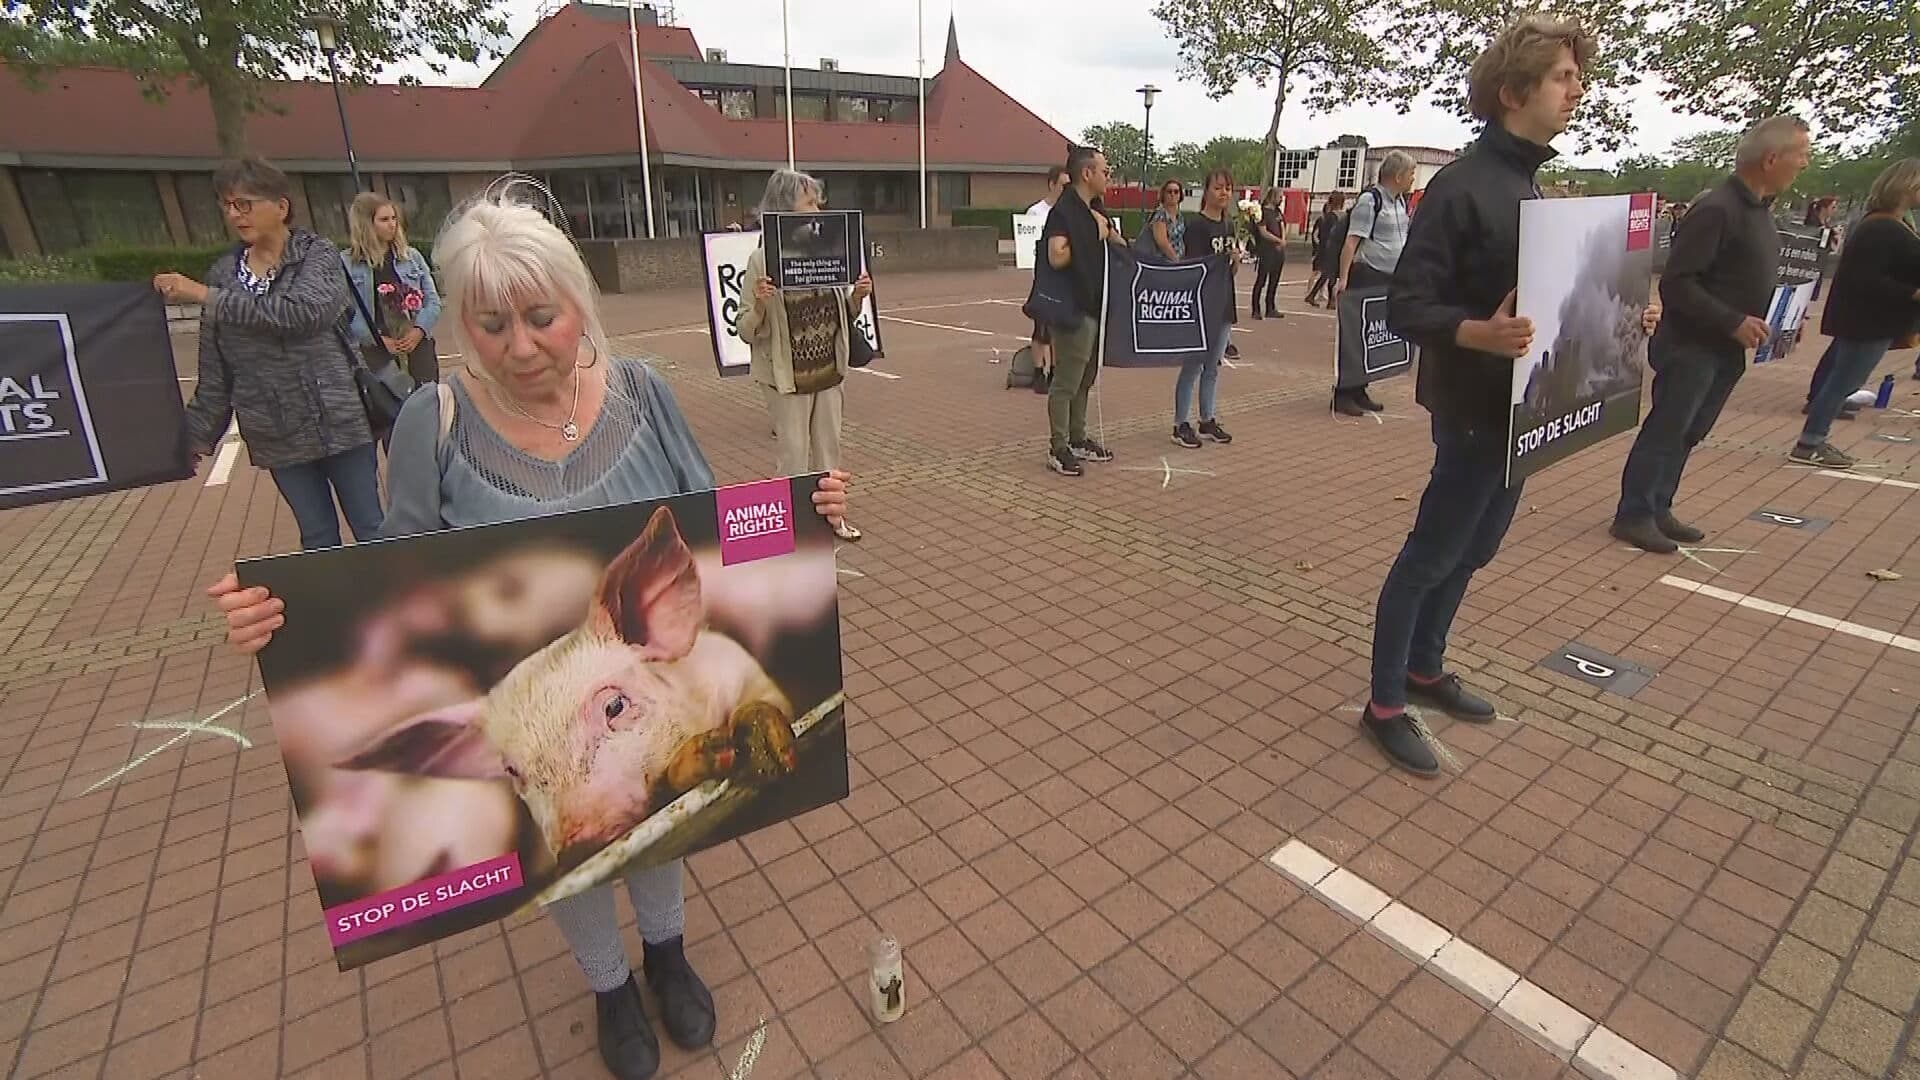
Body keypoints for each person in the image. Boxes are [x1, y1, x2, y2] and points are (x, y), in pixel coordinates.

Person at [204, 190, 855, 1080]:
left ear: (578, 305)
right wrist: (284, 619)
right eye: (491, 324)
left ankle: (665, 948)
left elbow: (714, 520)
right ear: (460, 324)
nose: (519, 348)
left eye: (542, 318)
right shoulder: (434, 424)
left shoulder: (645, 395)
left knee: (661, 799)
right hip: (523, 716)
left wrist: (804, 515)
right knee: (564, 826)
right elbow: (386, 572)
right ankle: (608, 983)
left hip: (634, 693)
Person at [1368, 15, 1659, 776]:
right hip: (1471, 409)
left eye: (1577, 77)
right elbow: (1405, 305)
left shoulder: (1532, 185)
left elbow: (1553, 300)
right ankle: (1385, 701)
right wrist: (1474, 333)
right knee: (1432, 552)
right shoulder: (1462, 188)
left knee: (1477, 547)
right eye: (1564, 77)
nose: (1578, 90)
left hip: (1529, 408)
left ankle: (1426, 668)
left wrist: (1627, 311)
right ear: (1512, 91)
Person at [154, 156, 383, 552]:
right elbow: (215, 370)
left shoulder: (317, 255)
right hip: (274, 431)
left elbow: (304, 314)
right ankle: (342, 610)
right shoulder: (223, 275)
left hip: (340, 420)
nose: (234, 214)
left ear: (280, 207)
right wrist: (195, 436)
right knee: (317, 537)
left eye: (245, 204)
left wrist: (205, 297)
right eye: (227, 205)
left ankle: (400, 608)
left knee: (372, 528)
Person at [1612, 114, 1812, 553]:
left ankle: (1659, 504)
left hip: (1724, 349)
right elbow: (1678, 283)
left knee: (1691, 430)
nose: (1805, 163)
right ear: (1771, 158)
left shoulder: (1758, 211)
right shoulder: (1718, 208)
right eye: (1801, 154)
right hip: (1691, 345)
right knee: (1668, 427)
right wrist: (1731, 321)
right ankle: (1635, 513)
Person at [736, 169, 872, 542]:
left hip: (828, 368)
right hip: (786, 375)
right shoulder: (761, 260)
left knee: (829, 451)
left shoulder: (827, 248)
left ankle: (832, 519)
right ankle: (789, 527)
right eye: (808, 202)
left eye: (817, 201)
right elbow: (745, 328)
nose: (818, 208)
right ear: (784, 209)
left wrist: (857, 296)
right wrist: (762, 305)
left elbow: (840, 312)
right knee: (793, 456)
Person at [1787, 160, 1920, 469]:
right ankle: (1810, 441)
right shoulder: (1882, 226)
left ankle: (1813, 440)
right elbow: (1865, 278)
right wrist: (1911, 293)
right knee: (1844, 381)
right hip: (1867, 319)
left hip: (1868, 318)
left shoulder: (1890, 223)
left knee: (1843, 378)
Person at [1042, 144, 1117, 477]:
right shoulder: (1065, 212)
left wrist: (1109, 235)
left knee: (1086, 377)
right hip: (1073, 308)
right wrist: (1093, 234)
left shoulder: (1095, 210)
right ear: (1086, 173)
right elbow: (1057, 255)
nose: (1108, 177)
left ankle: (1077, 435)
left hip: (1094, 304)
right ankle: (1058, 446)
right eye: (1104, 171)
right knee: (1067, 381)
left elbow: (1115, 242)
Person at [1331, 150, 1418, 415]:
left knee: (1371, 337)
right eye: (1411, 174)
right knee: (1356, 335)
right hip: (1367, 275)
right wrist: (1343, 278)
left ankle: (1360, 388)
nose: (1413, 179)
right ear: (1399, 175)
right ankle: (1343, 393)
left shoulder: (1399, 202)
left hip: (1390, 278)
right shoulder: (1371, 201)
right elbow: (1352, 240)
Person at [343, 191, 443, 384]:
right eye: (384, 219)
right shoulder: (347, 264)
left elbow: (433, 301)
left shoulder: (411, 257)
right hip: (376, 352)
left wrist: (419, 330)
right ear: (366, 224)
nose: (392, 225)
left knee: (427, 401)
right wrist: (378, 341)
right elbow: (345, 314)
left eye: (394, 218)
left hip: (417, 345)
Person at [1172, 168, 1239, 450]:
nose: (1223, 193)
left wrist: (1235, 259)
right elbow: (1194, 266)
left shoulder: (1230, 226)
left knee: (1213, 366)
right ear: (1206, 191)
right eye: (1218, 188)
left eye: (1227, 188)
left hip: (1224, 301)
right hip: (1201, 305)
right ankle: (1180, 423)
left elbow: (1230, 271)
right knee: (1193, 365)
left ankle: (1207, 418)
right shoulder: (1197, 226)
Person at [1025, 165, 1071, 394]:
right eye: (1063, 185)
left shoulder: (1068, 213)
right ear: (1052, 184)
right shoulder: (1036, 213)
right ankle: (1037, 371)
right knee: (1041, 328)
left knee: (1058, 328)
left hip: (1063, 280)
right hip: (1044, 279)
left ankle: (1055, 369)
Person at [1251, 188, 1288, 320]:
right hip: (1266, 251)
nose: (1281, 199)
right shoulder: (1262, 212)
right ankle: (1255, 309)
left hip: (1278, 251)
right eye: (1280, 196)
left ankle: (1270, 307)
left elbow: (1282, 225)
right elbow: (1263, 231)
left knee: (1274, 280)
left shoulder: (1277, 212)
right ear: (1273, 196)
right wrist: (1278, 240)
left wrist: (1282, 240)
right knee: (1261, 280)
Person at [1305, 193, 1347, 306]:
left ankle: (1329, 300)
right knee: (1328, 273)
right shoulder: (1333, 218)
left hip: (1328, 248)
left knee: (1330, 274)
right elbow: (1328, 235)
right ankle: (1314, 295)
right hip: (1330, 249)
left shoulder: (1330, 217)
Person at [1145, 179, 1188, 260]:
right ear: (1163, 194)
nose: (1173, 194)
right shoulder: (1160, 215)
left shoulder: (1180, 216)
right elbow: (1162, 243)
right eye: (1169, 191)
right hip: (1163, 262)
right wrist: (1176, 260)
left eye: (1176, 192)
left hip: (1180, 259)